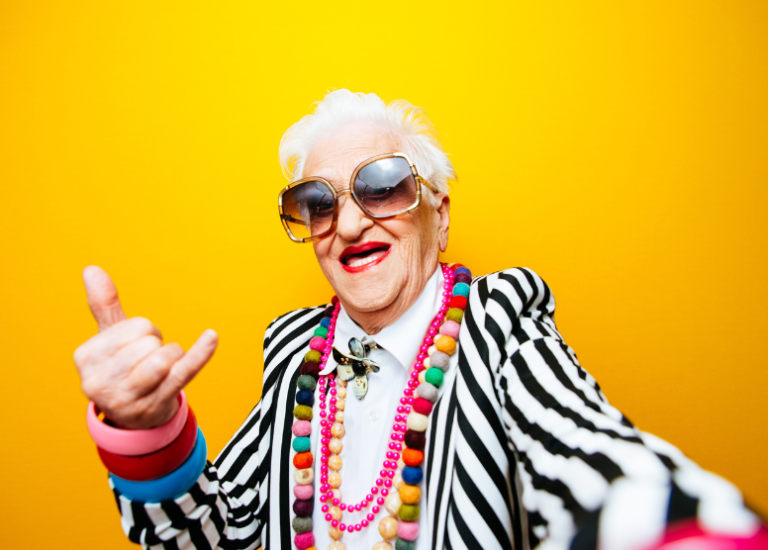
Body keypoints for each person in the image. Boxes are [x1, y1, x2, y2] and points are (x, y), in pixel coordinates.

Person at [74, 90, 765, 550]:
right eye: (317, 202)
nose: (346, 222)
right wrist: (149, 432)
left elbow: (589, 455)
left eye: (381, 185)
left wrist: (679, 528)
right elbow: (211, 534)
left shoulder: (500, 322)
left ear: (438, 212)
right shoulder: (295, 359)